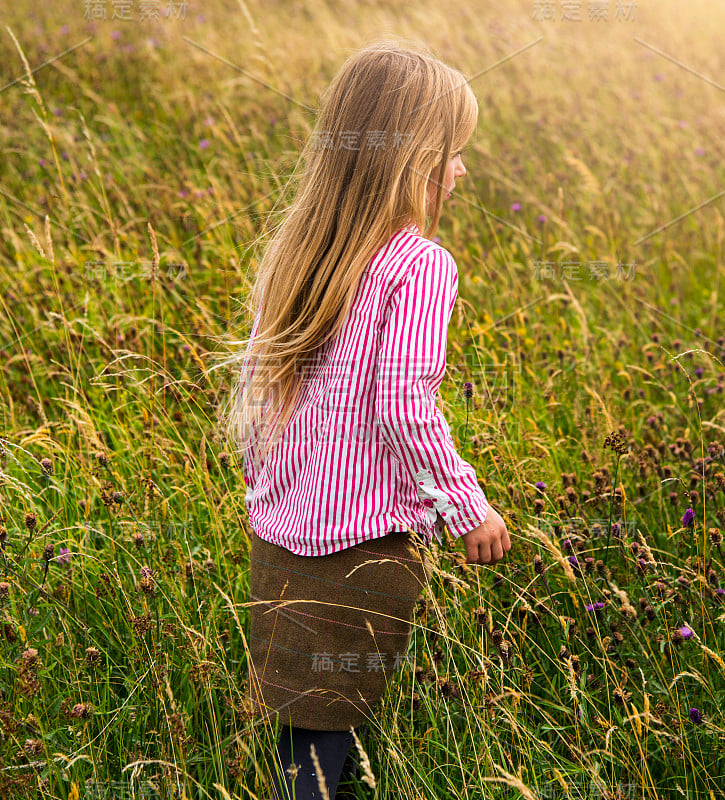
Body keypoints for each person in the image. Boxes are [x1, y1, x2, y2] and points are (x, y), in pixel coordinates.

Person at [217, 38, 511, 800]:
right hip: (360, 542)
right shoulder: (419, 265)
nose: (461, 169)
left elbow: (259, 375)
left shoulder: (301, 246)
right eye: (452, 153)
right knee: (333, 715)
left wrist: (263, 483)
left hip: (279, 527)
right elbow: (404, 406)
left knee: (303, 712)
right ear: (413, 158)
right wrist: (465, 507)